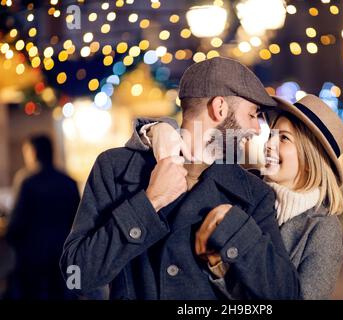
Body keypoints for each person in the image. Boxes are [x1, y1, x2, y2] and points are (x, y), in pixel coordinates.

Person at [60, 57, 302, 299]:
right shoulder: (116, 168)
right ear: (220, 108)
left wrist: (236, 230)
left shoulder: (253, 193)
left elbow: (287, 294)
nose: (258, 129)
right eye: (252, 114)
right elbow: (77, 275)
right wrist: (149, 202)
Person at [132, 94, 343, 299]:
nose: (268, 145)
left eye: (284, 139)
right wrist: (158, 128)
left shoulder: (323, 229)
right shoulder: (242, 189)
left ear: (311, 160)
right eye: (271, 135)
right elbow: (196, 144)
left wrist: (221, 269)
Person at [5, 134, 80, 299]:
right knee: (63, 294)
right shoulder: (68, 182)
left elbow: (17, 220)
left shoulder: (27, 181)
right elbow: (79, 221)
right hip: (63, 252)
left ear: (32, 153)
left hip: (32, 254)